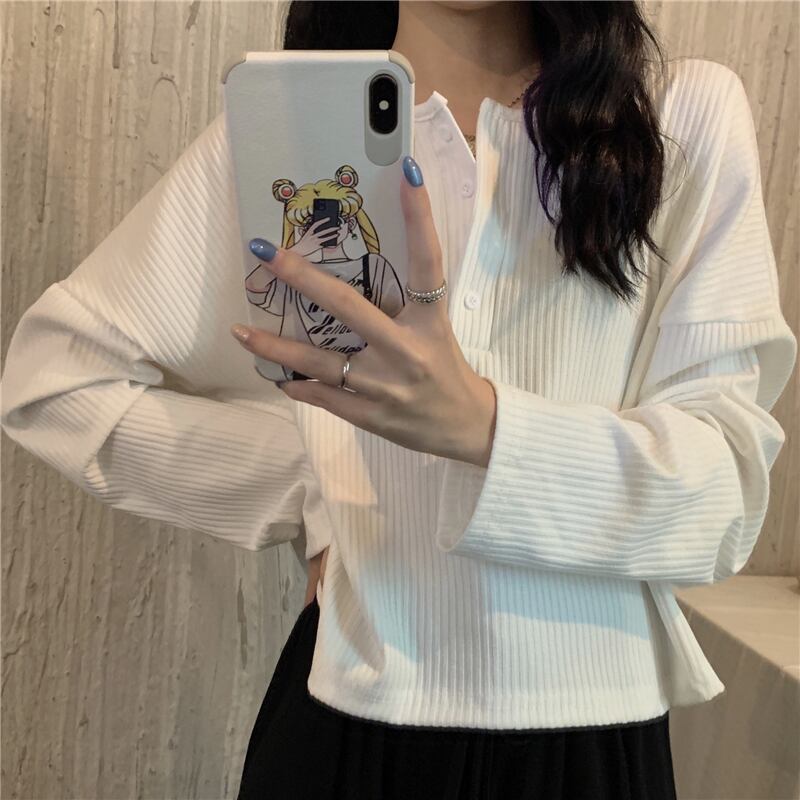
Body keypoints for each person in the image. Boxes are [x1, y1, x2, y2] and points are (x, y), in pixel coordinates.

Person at [1, 2, 795, 798]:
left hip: (593, 742)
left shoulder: (678, 117)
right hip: (344, 727)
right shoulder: (290, 133)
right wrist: (322, 483)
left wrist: (483, 426)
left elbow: (725, 501)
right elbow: (57, 380)